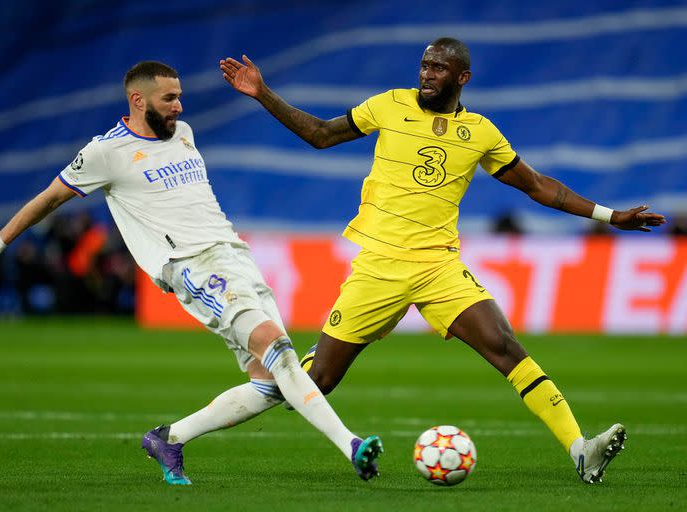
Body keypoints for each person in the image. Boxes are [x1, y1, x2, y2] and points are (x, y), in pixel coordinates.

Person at [218, 38, 667, 484]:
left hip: (439, 268)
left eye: (438, 68)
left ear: (462, 78)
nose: (426, 74)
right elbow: (320, 135)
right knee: (318, 380)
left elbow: (537, 186)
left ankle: (580, 450)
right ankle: (181, 433)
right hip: (380, 267)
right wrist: (263, 94)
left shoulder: (481, 133)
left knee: (506, 348)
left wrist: (610, 216)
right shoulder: (389, 105)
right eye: (424, 65)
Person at [0, 61, 383, 485]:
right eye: (169, 98)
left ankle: (169, 438)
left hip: (235, 255)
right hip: (192, 266)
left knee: (270, 382)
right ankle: (351, 445)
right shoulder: (105, 152)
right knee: (279, 349)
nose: (179, 106)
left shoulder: (183, 134)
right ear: (138, 100)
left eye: (180, 97)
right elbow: (47, 200)